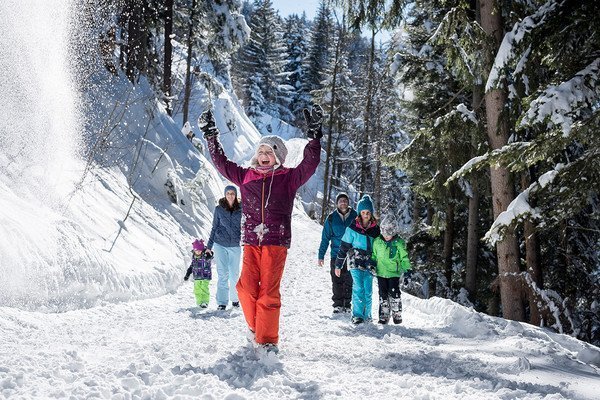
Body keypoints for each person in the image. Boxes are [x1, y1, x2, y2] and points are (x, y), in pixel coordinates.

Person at [198, 105, 323, 352]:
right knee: (244, 287)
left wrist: (315, 136)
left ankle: (267, 341)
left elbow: (310, 163)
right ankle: (256, 328)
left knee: (268, 292)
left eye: (270, 151)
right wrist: (211, 136)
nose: (265, 154)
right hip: (251, 241)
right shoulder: (246, 177)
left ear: (279, 157)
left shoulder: (288, 178)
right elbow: (221, 163)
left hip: (276, 242)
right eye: (262, 150)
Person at [335, 195, 380, 324]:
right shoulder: (352, 228)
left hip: (369, 263)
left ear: (371, 214)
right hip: (355, 261)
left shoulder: (376, 230)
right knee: (359, 287)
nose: (365, 215)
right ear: (360, 213)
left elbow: (380, 249)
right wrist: (338, 265)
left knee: (368, 290)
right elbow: (343, 247)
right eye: (363, 212)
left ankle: (368, 315)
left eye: (368, 212)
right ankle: (357, 315)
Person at [318, 192, 357, 313]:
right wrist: (321, 255)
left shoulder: (355, 216)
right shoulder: (331, 218)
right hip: (336, 254)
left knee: (349, 280)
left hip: (352, 255)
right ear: (337, 203)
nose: (343, 203)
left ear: (348, 202)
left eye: (345, 200)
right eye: (340, 201)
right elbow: (325, 238)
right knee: (337, 279)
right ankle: (338, 304)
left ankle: (347, 304)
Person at [207, 185, 242, 311]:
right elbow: (214, 227)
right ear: (225, 194)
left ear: (236, 195)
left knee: (234, 274)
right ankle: (222, 302)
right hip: (220, 244)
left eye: (233, 193)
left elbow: (246, 225)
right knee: (223, 274)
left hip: (235, 246)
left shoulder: (242, 209)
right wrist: (209, 246)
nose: (230, 195)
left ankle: (235, 299)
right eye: (228, 193)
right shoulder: (219, 209)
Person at [371, 213, 412, 324]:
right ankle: (384, 314)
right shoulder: (377, 242)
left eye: (389, 233)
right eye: (384, 233)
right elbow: (374, 255)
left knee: (394, 293)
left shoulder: (399, 243)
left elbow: (404, 258)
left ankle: (396, 312)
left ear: (394, 231)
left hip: (394, 273)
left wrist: (407, 270)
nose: (386, 236)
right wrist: (372, 264)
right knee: (383, 294)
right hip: (381, 273)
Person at [184, 239, 214, 308]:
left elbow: (211, 255)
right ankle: (199, 302)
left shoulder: (205, 255)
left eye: (200, 250)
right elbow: (192, 266)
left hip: (205, 276)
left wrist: (210, 254)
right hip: (197, 276)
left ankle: (205, 302)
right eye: (196, 250)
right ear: (194, 250)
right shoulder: (194, 257)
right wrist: (187, 274)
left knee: (204, 289)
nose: (198, 252)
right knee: (197, 289)